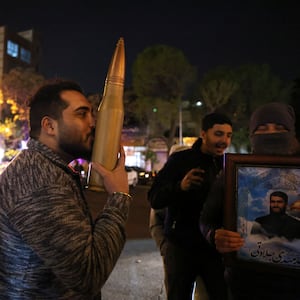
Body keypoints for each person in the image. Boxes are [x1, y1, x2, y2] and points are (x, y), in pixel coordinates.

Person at [0, 80, 132, 299]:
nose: (93, 123)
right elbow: (89, 274)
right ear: (49, 126)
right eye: (82, 114)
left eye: (92, 113)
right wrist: (119, 197)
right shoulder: (40, 182)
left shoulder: (47, 169)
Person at [200, 102, 300, 300]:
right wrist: (214, 236)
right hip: (245, 284)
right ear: (252, 135)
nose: (271, 134)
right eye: (262, 129)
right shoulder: (235, 173)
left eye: (280, 128)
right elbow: (205, 219)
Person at [148, 112, 233, 300]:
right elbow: (155, 198)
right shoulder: (180, 160)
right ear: (203, 134)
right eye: (218, 134)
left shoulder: (228, 165)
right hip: (181, 248)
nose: (224, 141)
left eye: (228, 135)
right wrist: (180, 186)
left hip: (213, 250)